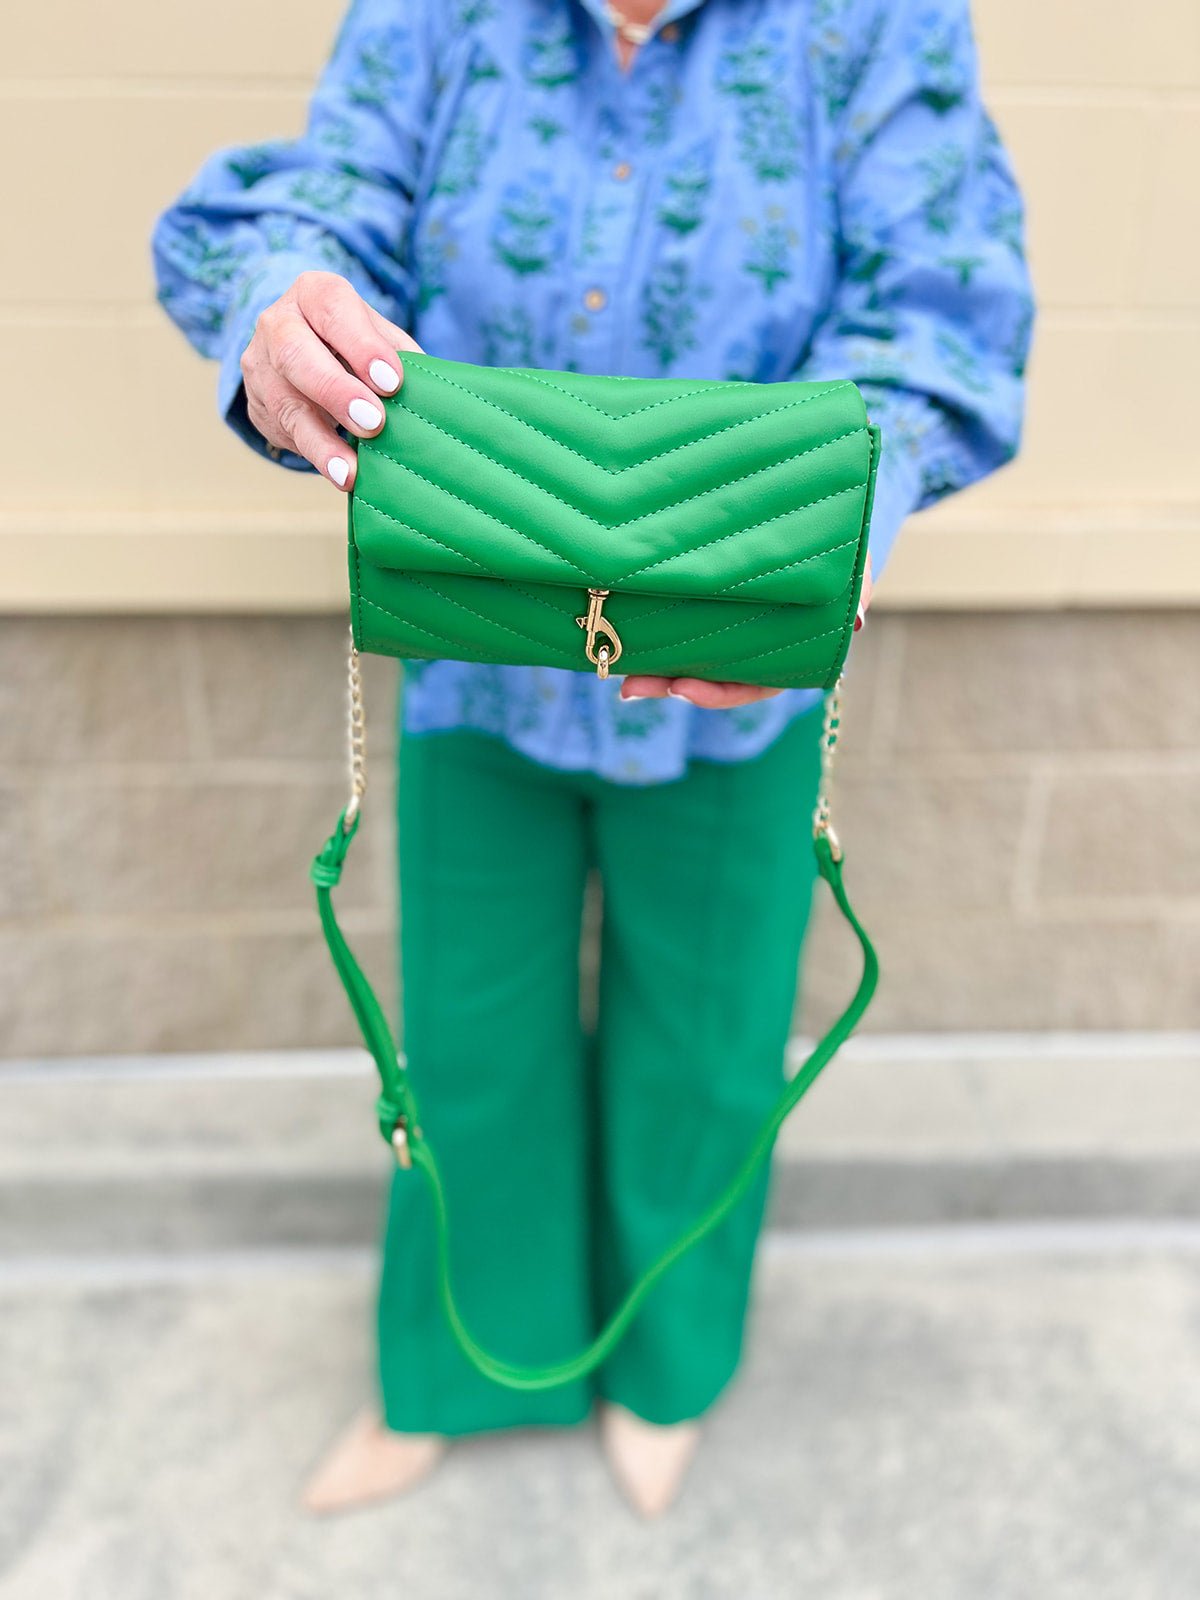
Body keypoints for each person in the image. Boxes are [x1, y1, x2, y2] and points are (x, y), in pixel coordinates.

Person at [151, 0, 1033, 1518]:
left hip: (735, 680)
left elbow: (940, 307)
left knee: (708, 1039)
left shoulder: (875, 24)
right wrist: (286, 306)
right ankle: (459, 1369)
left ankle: (662, 1370)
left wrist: (824, 533)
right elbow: (328, 195)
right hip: (474, 659)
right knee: (468, 1036)